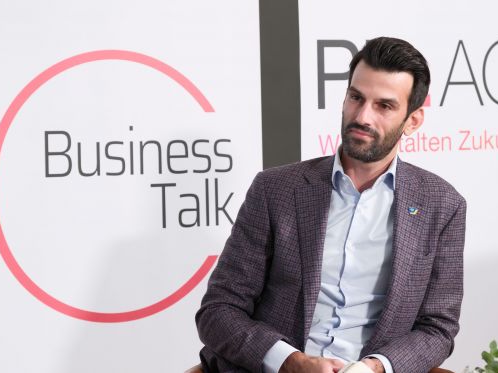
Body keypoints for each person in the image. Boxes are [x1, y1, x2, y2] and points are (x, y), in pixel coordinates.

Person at [195, 37, 466, 373]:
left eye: (384, 106)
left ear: (413, 120)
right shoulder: (275, 190)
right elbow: (219, 311)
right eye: (356, 97)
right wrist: (291, 362)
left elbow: (437, 329)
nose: (363, 116)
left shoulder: (442, 205)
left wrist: (375, 368)